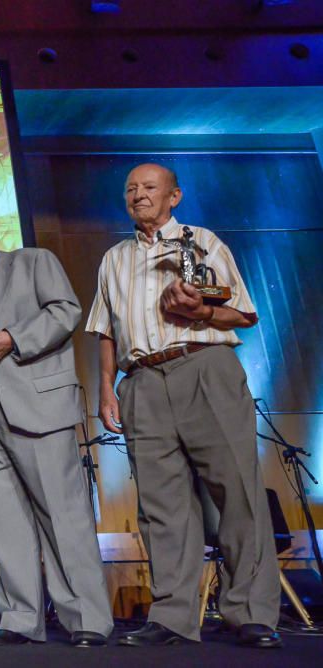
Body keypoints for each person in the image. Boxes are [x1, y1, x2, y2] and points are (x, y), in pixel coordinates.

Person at [85, 163, 281, 649]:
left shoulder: (204, 241)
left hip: (204, 366)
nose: (138, 195)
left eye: (149, 187)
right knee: (159, 505)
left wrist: (202, 311)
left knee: (236, 490)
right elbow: (106, 330)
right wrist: (106, 388)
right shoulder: (114, 258)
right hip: (142, 380)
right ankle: (172, 617)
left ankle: (250, 612)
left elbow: (245, 313)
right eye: (130, 188)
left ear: (175, 196)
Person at [0, 214, 114, 647]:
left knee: (62, 513)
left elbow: (66, 310)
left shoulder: (33, 261)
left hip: (37, 405)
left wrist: (12, 338)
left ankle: (86, 618)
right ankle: (19, 619)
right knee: (6, 522)